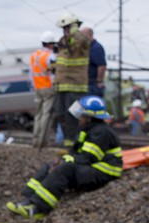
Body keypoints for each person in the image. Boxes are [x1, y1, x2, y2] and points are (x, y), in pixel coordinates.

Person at [7, 96, 122, 219]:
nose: (79, 119)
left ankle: (38, 209)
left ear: (89, 117)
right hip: (93, 167)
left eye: (81, 115)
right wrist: (61, 160)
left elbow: (89, 158)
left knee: (64, 169)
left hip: (105, 171)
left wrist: (64, 162)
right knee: (50, 166)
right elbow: (76, 152)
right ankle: (28, 200)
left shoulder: (101, 132)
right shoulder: (89, 129)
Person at [54, 12, 90, 147]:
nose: (66, 32)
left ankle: (76, 144)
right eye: (64, 29)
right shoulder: (62, 44)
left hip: (76, 86)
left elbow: (83, 41)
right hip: (61, 87)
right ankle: (68, 143)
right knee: (61, 115)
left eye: (68, 28)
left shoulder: (81, 43)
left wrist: (76, 31)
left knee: (73, 116)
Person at [30, 31, 57, 149]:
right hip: (48, 88)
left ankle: (35, 140)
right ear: (51, 44)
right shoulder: (50, 56)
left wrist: (35, 86)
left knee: (38, 115)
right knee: (46, 115)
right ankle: (43, 141)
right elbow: (53, 74)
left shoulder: (34, 55)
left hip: (37, 88)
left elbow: (30, 74)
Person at [81, 27, 107, 97]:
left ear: (89, 35)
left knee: (91, 104)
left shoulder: (96, 48)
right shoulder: (87, 48)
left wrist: (99, 81)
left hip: (93, 84)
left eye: (82, 35)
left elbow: (101, 65)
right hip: (87, 83)